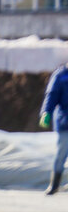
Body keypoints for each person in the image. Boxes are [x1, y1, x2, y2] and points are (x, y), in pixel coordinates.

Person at [41, 62, 68, 195]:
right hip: (65, 122)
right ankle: (54, 184)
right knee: (61, 153)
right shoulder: (61, 75)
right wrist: (46, 112)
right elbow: (51, 96)